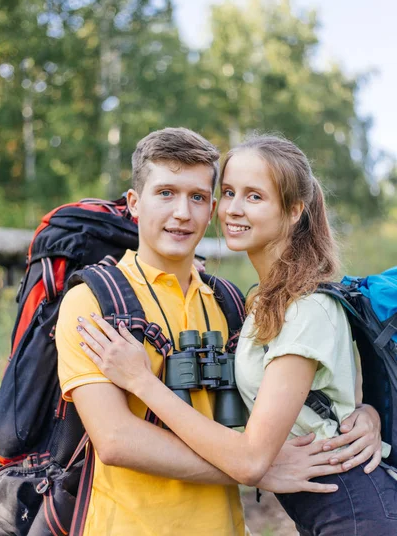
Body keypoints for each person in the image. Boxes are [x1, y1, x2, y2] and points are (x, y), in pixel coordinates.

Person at [76, 133, 395, 536]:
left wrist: (141, 381)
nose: (233, 209)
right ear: (134, 203)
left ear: (295, 211)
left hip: (356, 515)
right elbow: (117, 439)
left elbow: (251, 458)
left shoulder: (297, 306)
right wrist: (362, 414)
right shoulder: (259, 304)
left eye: (255, 196)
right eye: (228, 192)